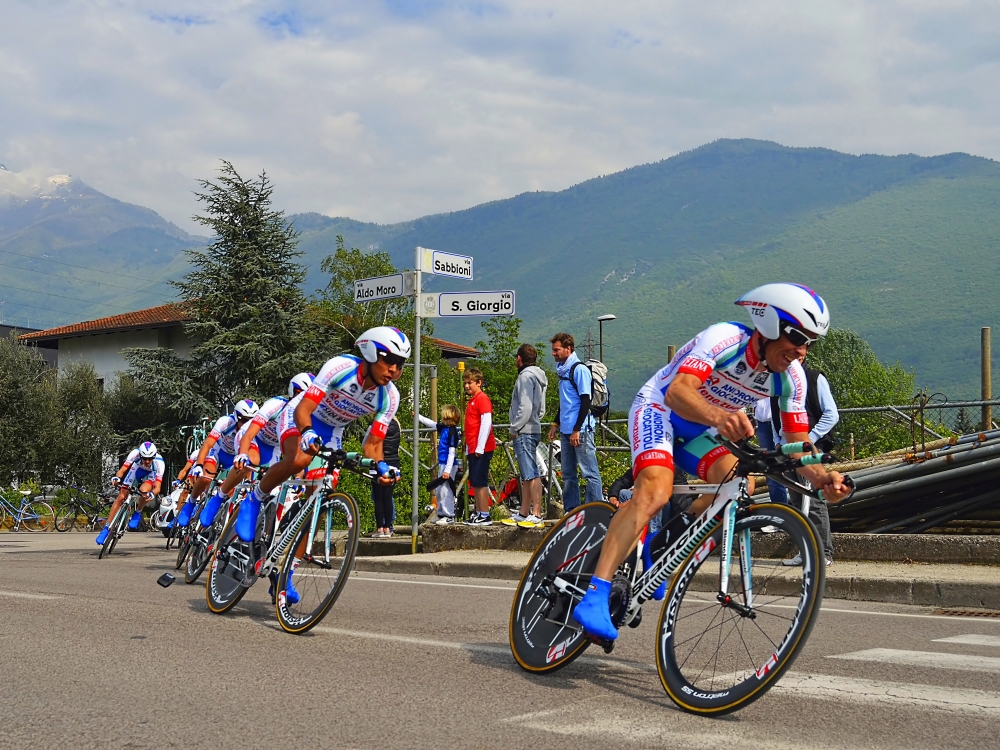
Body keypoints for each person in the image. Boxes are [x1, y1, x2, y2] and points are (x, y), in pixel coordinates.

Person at [572, 283, 852, 641]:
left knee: (739, 486)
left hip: (703, 426)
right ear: (768, 325)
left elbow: (796, 442)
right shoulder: (725, 339)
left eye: (810, 342)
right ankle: (595, 594)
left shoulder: (791, 379)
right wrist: (720, 418)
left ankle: (661, 543)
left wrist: (823, 477)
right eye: (797, 336)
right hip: (660, 409)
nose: (802, 350)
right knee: (655, 492)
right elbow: (678, 392)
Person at [234, 326, 407, 602]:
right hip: (300, 416)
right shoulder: (341, 367)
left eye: (401, 364)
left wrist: (381, 467)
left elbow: (373, 446)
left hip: (332, 432)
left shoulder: (390, 397)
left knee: (317, 499)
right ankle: (254, 499)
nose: (394, 369)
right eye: (389, 360)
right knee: (299, 459)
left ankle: (286, 574)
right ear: (371, 354)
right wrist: (306, 432)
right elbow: (304, 408)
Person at [196, 374, 313, 531]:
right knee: (251, 461)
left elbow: (299, 451)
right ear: (296, 393)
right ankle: (219, 497)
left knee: (274, 485)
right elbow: (249, 433)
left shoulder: (307, 415)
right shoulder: (276, 405)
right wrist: (242, 454)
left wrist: (299, 477)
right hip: (252, 438)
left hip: (273, 448)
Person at [774, 360, 840, 566]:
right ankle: (805, 551)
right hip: (786, 450)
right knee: (797, 502)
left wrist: (808, 440)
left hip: (807, 449)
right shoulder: (777, 382)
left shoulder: (814, 378)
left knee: (813, 501)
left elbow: (832, 414)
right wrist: (779, 443)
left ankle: (823, 553)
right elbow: (777, 418)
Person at [547, 333, 603, 512]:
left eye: (556, 350)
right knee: (568, 474)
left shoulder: (578, 370)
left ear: (568, 349)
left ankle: (594, 510)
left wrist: (577, 429)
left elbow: (585, 401)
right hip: (566, 429)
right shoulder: (563, 370)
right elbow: (566, 402)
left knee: (589, 472)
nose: (553, 353)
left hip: (581, 430)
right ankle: (571, 511)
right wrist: (555, 424)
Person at [181, 399, 260, 523]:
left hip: (235, 457)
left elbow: (252, 457)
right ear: (236, 417)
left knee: (233, 488)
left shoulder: (255, 429)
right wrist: (199, 465)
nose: (248, 424)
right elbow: (207, 444)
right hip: (218, 452)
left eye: (252, 420)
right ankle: (191, 503)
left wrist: (249, 480)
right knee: (206, 478)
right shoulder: (225, 422)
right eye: (244, 420)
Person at [505, 343, 548, 528]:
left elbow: (525, 406)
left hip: (524, 431)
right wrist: (534, 420)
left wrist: (515, 427)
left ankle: (536, 513)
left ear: (519, 359)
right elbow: (541, 409)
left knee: (531, 473)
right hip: (534, 428)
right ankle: (524, 512)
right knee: (526, 474)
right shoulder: (539, 377)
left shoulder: (524, 377)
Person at [97, 441, 165, 544]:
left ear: (154, 456)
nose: (147, 461)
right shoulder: (134, 453)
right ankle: (106, 529)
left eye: (150, 458)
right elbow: (122, 471)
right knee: (121, 497)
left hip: (151, 474)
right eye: (144, 458)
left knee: (144, 491)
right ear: (140, 455)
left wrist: (152, 493)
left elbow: (158, 487)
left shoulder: (159, 463)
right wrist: (117, 478)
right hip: (136, 470)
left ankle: (138, 512)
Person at [462, 368, 497, 526]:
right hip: (473, 446)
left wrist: (480, 447)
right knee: (475, 481)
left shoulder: (482, 399)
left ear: (479, 383)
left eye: (470, 383)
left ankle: (484, 513)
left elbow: (486, 422)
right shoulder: (472, 400)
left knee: (480, 481)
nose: (467, 386)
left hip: (480, 447)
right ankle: (479, 512)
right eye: (465, 383)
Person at [418, 405, 462, 525]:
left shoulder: (452, 432)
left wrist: (447, 470)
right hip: (442, 463)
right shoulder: (444, 428)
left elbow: (452, 452)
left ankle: (449, 515)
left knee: (446, 490)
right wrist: (418, 417)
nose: (443, 420)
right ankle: (441, 513)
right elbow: (432, 423)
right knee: (439, 490)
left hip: (449, 465)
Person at [754, 398, 789, 506]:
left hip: (781, 420)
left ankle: (800, 512)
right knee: (771, 470)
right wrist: (755, 407)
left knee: (794, 470)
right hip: (762, 424)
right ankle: (781, 510)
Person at [370, 416, 401, 537]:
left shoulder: (376, 424)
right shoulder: (397, 425)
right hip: (394, 463)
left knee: (378, 498)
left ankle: (380, 529)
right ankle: (388, 528)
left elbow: (369, 443)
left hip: (379, 463)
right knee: (388, 497)